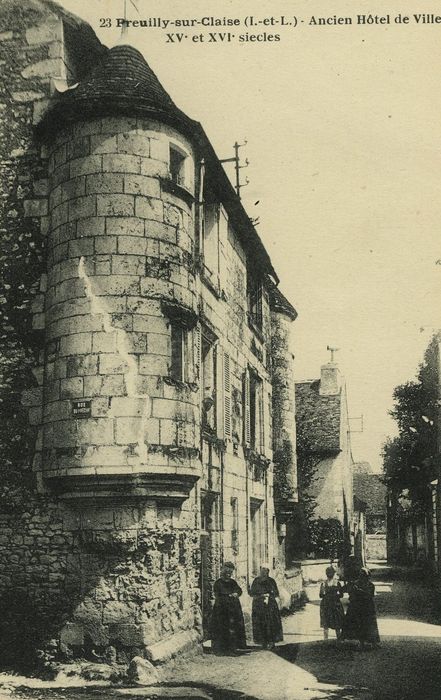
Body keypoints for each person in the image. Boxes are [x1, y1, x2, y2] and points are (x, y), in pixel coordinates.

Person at [209, 561, 246, 654]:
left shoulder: (233, 582)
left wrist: (236, 593)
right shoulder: (218, 583)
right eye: (227, 573)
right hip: (222, 609)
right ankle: (221, 648)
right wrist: (229, 595)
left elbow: (239, 590)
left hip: (233, 608)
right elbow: (218, 594)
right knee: (222, 627)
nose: (229, 575)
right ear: (223, 573)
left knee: (233, 627)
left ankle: (233, 647)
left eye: (230, 573)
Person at [341, 567, 380, 650]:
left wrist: (358, 591)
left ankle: (373, 642)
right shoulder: (355, 583)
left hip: (367, 607)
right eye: (361, 575)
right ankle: (361, 642)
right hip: (358, 607)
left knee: (370, 624)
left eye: (364, 575)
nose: (362, 577)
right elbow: (346, 591)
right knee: (359, 624)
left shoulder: (370, 585)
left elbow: (370, 595)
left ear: (368, 576)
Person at [250, 564, 283, 650]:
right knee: (260, 623)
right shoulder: (256, 581)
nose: (264, 572)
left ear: (268, 571)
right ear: (260, 571)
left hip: (270, 605)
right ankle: (263, 642)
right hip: (258, 605)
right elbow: (251, 593)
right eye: (262, 570)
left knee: (271, 623)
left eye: (266, 570)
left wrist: (269, 595)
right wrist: (260, 595)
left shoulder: (271, 581)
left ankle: (271, 642)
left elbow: (276, 593)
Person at [319, 565, 344, 640]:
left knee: (333, 621)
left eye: (330, 573)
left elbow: (321, 595)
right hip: (333, 604)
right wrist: (335, 596)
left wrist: (327, 595)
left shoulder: (325, 583)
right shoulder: (334, 583)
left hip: (330, 604)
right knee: (333, 622)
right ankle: (336, 639)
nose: (329, 574)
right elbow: (341, 594)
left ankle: (327, 639)